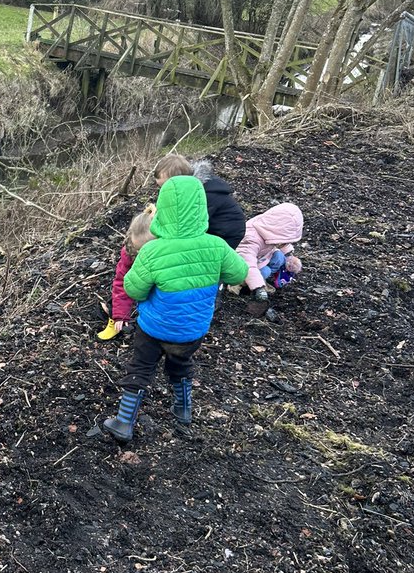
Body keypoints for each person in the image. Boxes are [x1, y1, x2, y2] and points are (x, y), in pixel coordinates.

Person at [102, 175, 248, 441]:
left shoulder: (153, 251)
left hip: (154, 329)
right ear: (201, 208)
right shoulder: (216, 245)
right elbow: (239, 274)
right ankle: (183, 412)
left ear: (163, 210)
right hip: (192, 330)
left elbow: (133, 290)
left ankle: (123, 422)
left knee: (141, 368)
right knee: (181, 366)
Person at [153, 153, 246, 248]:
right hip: (213, 229)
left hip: (227, 234)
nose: (163, 191)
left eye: (166, 187)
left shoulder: (204, 195)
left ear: (181, 182)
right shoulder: (189, 191)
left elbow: (190, 223)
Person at [97, 204, 156, 340]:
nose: (141, 255)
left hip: (157, 285)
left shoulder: (166, 253)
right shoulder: (129, 253)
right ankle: (113, 317)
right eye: (138, 251)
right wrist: (120, 315)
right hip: (139, 280)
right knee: (119, 294)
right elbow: (121, 283)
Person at [236, 203, 304, 315]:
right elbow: (247, 265)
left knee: (279, 257)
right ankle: (245, 285)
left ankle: (263, 279)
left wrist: (289, 256)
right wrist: (259, 288)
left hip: (262, 257)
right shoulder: (251, 238)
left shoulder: (268, 226)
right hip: (244, 266)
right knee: (265, 271)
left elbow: (282, 240)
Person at [192, 159, 246, 248]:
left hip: (228, 233)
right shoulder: (208, 188)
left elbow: (198, 220)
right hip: (221, 229)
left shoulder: (207, 194)